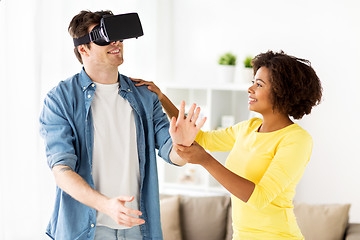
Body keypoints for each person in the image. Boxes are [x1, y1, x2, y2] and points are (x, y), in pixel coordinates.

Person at [133, 50, 322, 239]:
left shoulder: (296, 140)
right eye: (252, 83)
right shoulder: (249, 128)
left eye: (259, 84)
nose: (250, 89)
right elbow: (200, 139)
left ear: (282, 92)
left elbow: (260, 197)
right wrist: (161, 98)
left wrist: (205, 161)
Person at [39, 10, 192, 240]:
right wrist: (107, 206)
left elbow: (174, 155)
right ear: (83, 48)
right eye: (104, 37)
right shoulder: (60, 99)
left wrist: (183, 144)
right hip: (85, 231)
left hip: (138, 229)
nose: (116, 42)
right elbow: (62, 171)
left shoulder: (144, 96)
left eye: (118, 35)